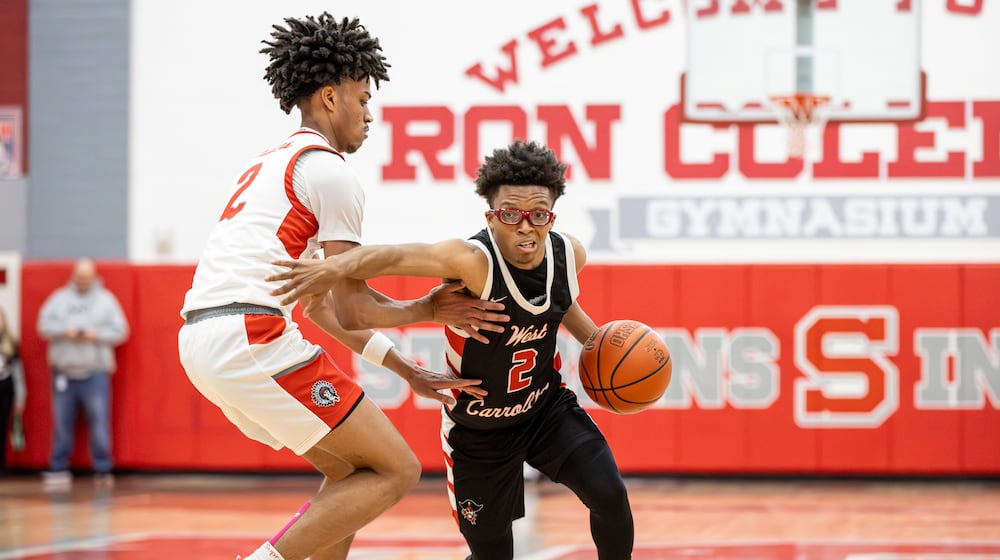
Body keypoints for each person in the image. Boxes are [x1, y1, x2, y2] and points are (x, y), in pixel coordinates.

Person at [176, 12, 507, 560]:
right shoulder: (329, 172)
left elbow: (322, 310)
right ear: (330, 98)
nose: (370, 114)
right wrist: (428, 308)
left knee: (354, 471)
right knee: (397, 468)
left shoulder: (269, 164)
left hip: (207, 336)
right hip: (248, 333)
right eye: (363, 97)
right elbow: (354, 310)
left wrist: (406, 371)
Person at [268, 140, 635, 560]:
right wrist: (331, 267)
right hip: (477, 431)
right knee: (492, 554)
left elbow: (561, 303)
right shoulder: (471, 260)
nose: (526, 226)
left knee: (610, 495)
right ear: (491, 217)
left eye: (539, 214)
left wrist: (603, 346)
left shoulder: (568, 254)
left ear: (551, 215)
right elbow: (391, 256)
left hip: (544, 411)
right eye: (511, 214)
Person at [37, 258, 129, 487]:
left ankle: (102, 468)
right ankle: (58, 467)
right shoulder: (59, 299)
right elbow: (43, 326)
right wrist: (64, 331)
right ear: (73, 276)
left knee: (98, 422)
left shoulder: (106, 301)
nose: (83, 281)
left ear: (94, 277)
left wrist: (94, 333)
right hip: (64, 374)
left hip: (95, 372)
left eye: (87, 277)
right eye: (79, 276)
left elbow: (121, 331)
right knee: (61, 422)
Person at [0, 305, 26, 475]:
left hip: (5, 387)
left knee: (2, 426)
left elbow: (18, 372)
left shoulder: (10, 343)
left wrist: (21, 396)